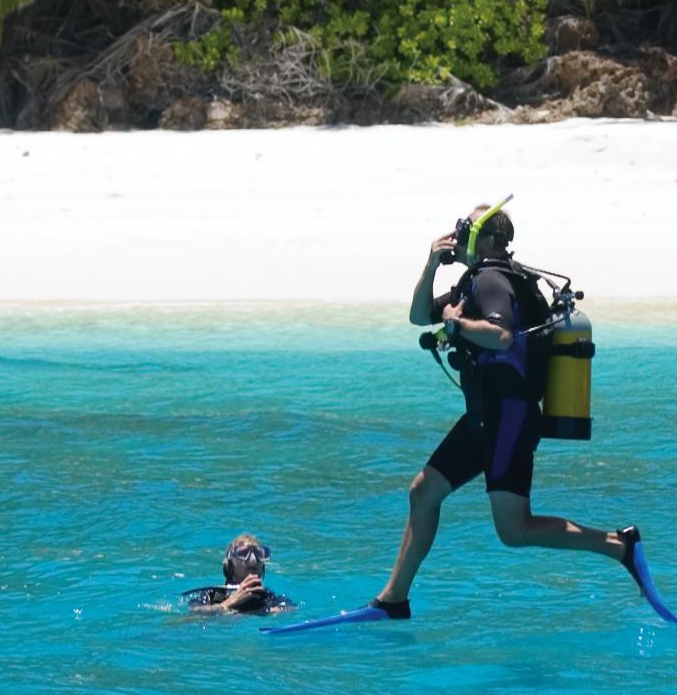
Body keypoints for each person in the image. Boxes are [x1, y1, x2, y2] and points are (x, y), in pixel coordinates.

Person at [363, 203, 644, 620]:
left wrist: (457, 325)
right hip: (483, 416)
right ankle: (394, 599)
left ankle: (620, 546)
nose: (459, 236)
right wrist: (432, 264)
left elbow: (500, 335)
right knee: (423, 492)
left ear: (488, 238)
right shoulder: (474, 281)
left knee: (514, 530)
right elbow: (418, 315)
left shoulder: (492, 280)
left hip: (508, 417)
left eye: (468, 229)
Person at [182, 534, 293, 615]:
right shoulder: (214, 594)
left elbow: (291, 609)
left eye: (259, 553)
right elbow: (192, 615)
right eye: (243, 553)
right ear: (230, 566)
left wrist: (272, 611)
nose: (253, 559)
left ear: (263, 567)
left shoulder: (267, 597)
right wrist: (231, 601)